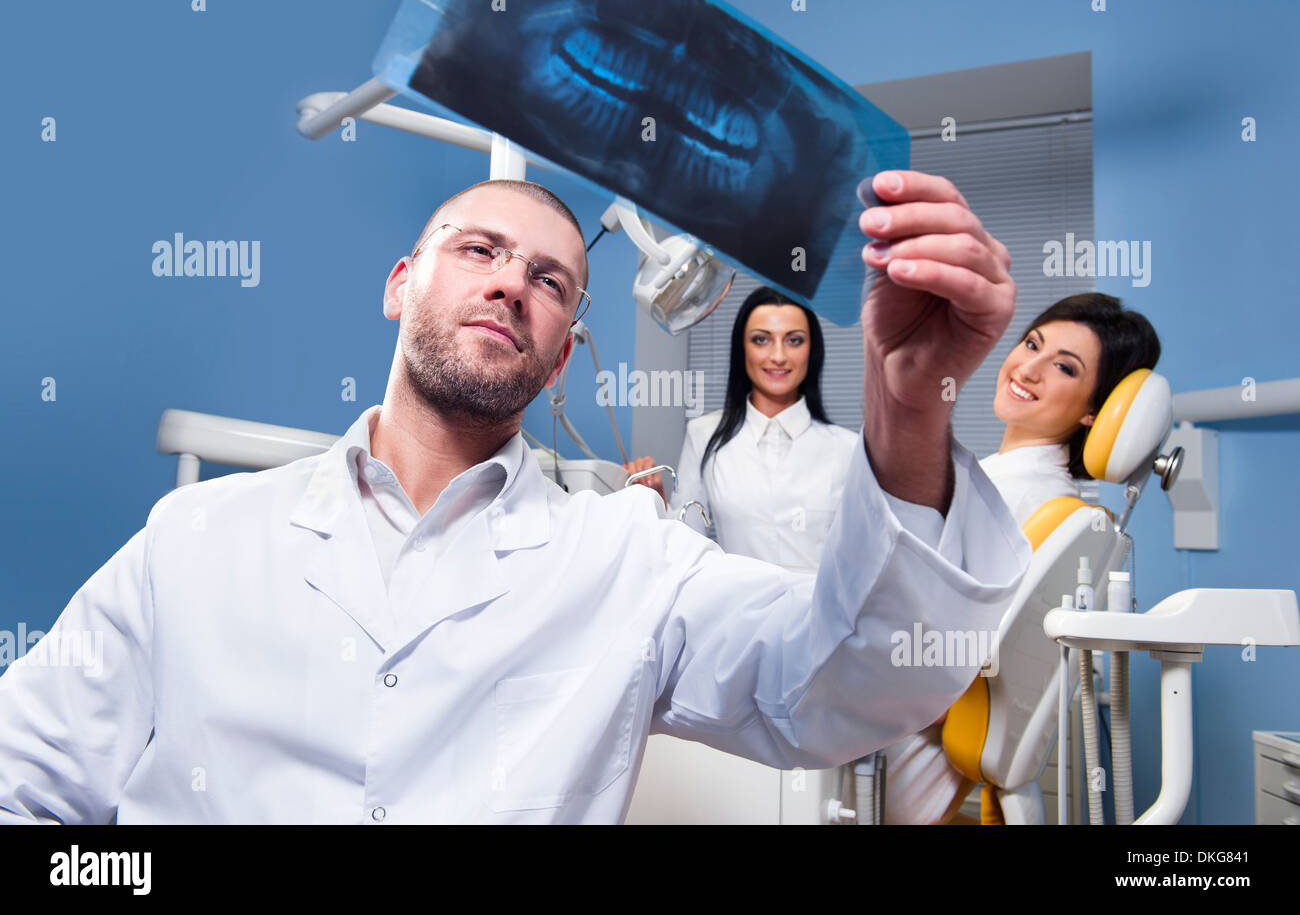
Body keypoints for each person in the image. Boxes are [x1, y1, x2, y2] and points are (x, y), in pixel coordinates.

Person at [0, 172, 1027, 824]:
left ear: (560, 361)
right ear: (402, 283)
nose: (508, 284)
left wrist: (908, 403)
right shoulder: (199, 535)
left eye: (550, 279)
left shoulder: (631, 559)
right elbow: (27, 771)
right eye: (478, 251)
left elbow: (843, 689)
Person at [882, 292, 1162, 825]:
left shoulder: (1016, 497)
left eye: (1062, 366)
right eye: (1032, 343)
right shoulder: (1023, 485)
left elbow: (919, 637)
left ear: (1092, 410)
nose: (1028, 368)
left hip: (892, 738)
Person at [624, 286, 857, 573]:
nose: (779, 356)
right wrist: (656, 499)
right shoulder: (704, 435)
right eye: (761, 340)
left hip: (821, 615)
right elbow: (685, 543)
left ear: (812, 350)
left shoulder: (848, 449)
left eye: (794, 340)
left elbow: (863, 559)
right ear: (742, 348)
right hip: (737, 613)